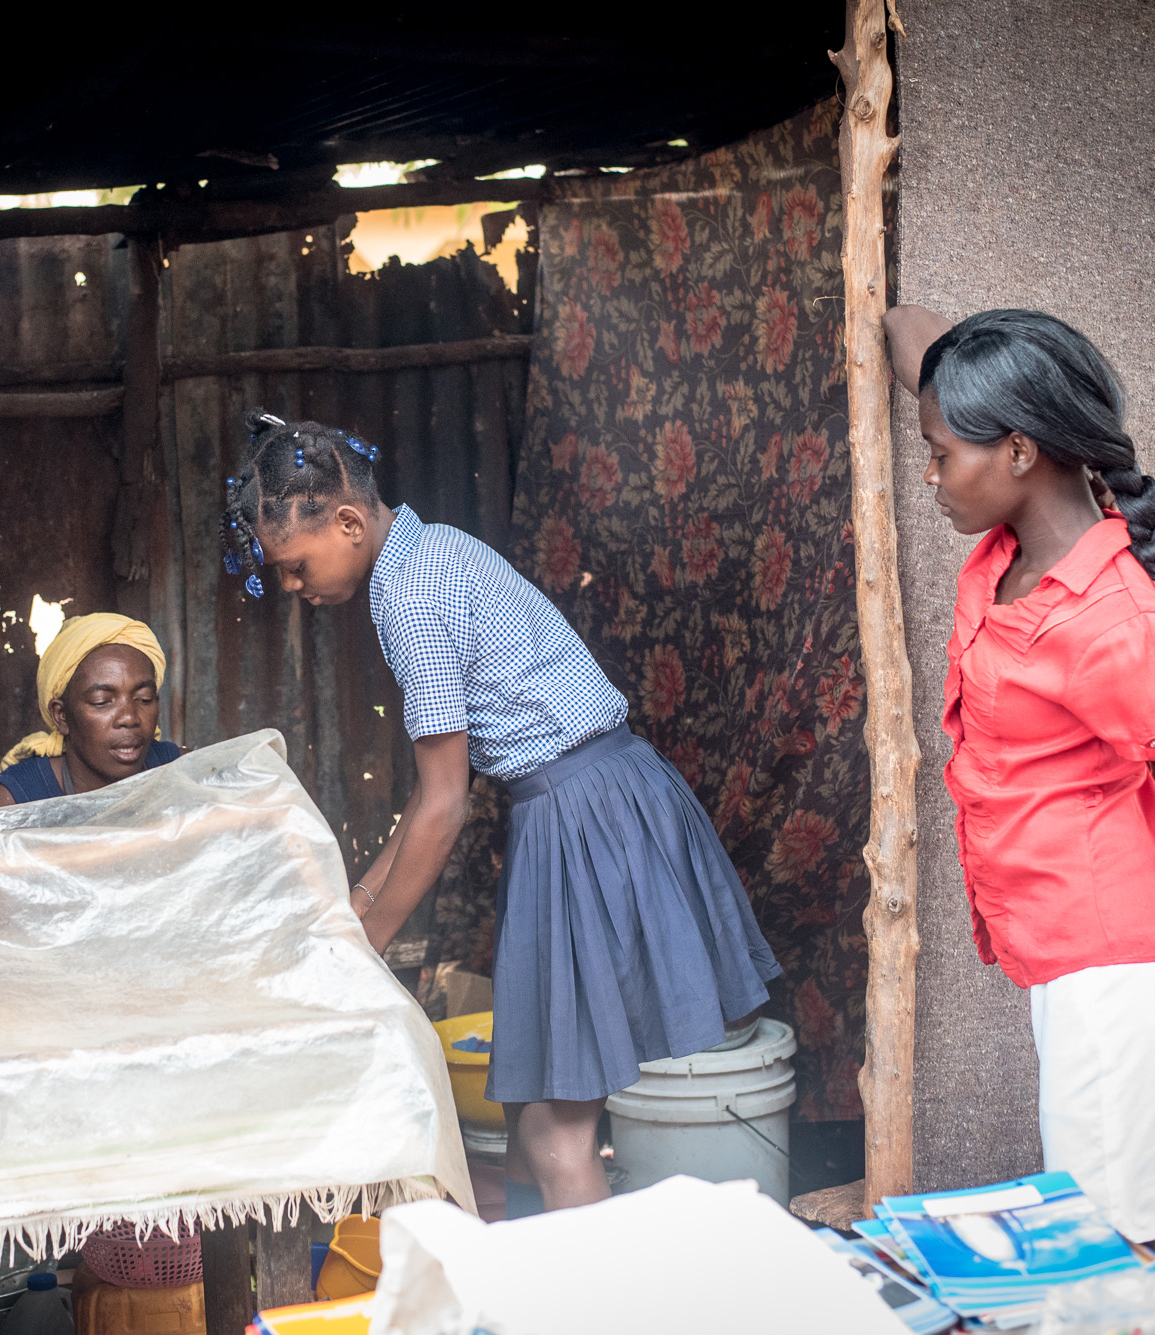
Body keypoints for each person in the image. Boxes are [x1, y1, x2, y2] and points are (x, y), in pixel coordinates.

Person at [219, 410, 781, 1215]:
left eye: (296, 566)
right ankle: (531, 1287)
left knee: (555, 1132)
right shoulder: (434, 548)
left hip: (582, 818)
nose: (294, 589)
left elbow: (445, 805)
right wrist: (353, 917)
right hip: (611, 794)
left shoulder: (409, 599)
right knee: (528, 1112)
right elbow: (428, 795)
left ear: (345, 522)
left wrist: (362, 944)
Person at [883, 306, 1155, 1280]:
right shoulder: (1018, 546)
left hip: (1116, 971)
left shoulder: (1111, 626)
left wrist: (1134, 938)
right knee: (1153, 1218)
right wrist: (906, 331)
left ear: (1016, 448)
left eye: (937, 455)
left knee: (1111, 1239)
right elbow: (920, 347)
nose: (928, 476)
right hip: (1079, 961)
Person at [0, 612, 181, 806]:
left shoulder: (183, 772)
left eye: (144, 699)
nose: (129, 718)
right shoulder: (16, 802)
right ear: (61, 716)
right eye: (102, 701)